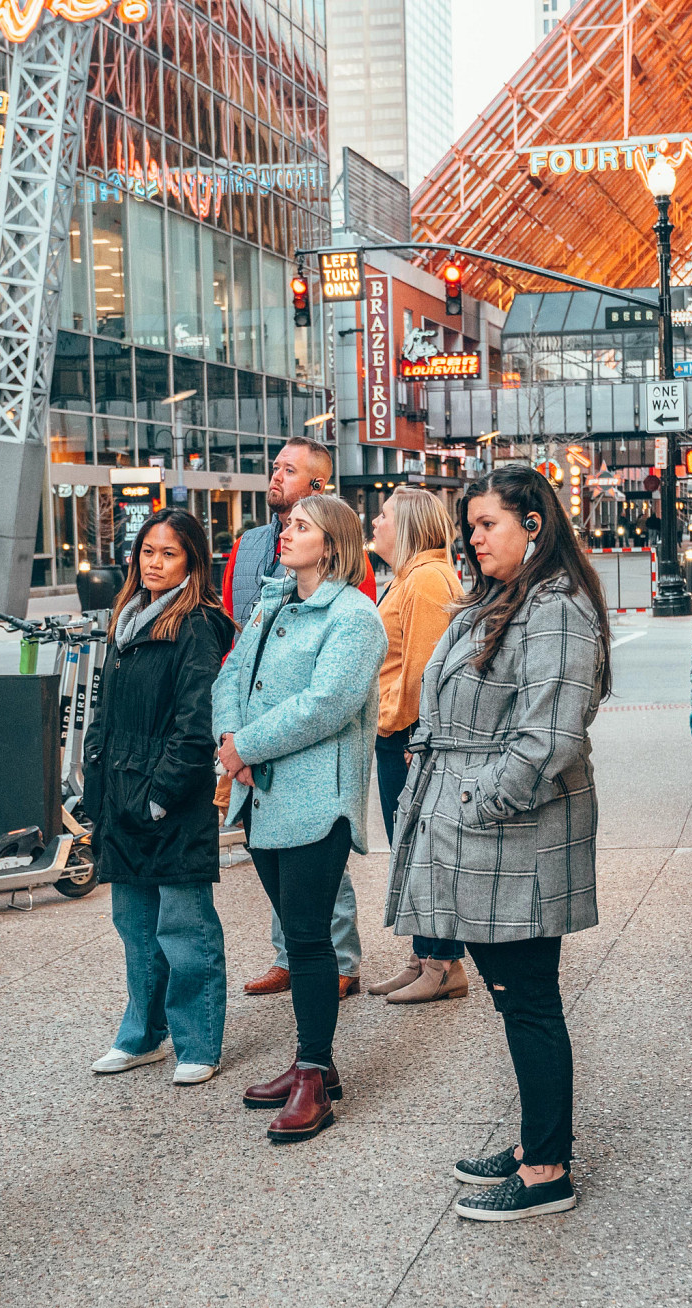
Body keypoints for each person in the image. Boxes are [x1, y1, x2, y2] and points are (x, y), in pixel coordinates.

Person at [385, 464, 611, 1221]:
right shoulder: (500, 599)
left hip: (514, 833)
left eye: (487, 524)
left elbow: (549, 737)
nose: (473, 538)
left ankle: (547, 1169)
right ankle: (535, 1141)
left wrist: (475, 801)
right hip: (481, 829)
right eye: (470, 525)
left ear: (534, 524)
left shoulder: (556, 607)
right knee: (516, 999)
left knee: (529, 999)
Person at [213, 494, 387, 1143]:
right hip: (260, 795)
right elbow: (230, 675)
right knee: (294, 929)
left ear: (333, 541)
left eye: (302, 526)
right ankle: (312, 1058)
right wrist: (232, 742)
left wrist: (247, 746)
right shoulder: (273, 601)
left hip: (317, 801)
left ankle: (314, 1074)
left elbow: (328, 703)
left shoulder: (354, 615)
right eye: (288, 524)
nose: (286, 533)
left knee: (311, 936)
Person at [85, 508, 237, 1086]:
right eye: (148, 551)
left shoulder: (195, 623)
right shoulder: (127, 620)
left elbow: (196, 722)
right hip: (120, 794)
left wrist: (159, 796)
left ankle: (197, 1042)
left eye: (169, 553)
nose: (155, 562)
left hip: (168, 799)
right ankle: (142, 1035)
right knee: (135, 927)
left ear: (191, 562)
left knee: (185, 928)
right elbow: (105, 715)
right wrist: (95, 790)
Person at [223, 437, 376, 999]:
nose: (275, 476)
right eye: (274, 467)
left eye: (289, 470)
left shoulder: (345, 579)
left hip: (301, 749)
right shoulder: (250, 546)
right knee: (278, 865)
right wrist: (231, 737)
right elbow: (236, 647)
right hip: (253, 737)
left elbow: (329, 691)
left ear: (317, 484)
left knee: (317, 871)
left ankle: (335, 963)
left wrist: (249, 744)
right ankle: (290, 957)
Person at [366, 487, 470, 1003]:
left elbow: (425, 671)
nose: (375, 521)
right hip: (400, 733)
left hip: (409, 736)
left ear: (405, 525)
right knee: (410, 849)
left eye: (383, 515)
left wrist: (397, 725)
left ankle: (445, 963)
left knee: (425, 850)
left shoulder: (426, 580)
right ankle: (424, 955)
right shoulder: (409, 578)